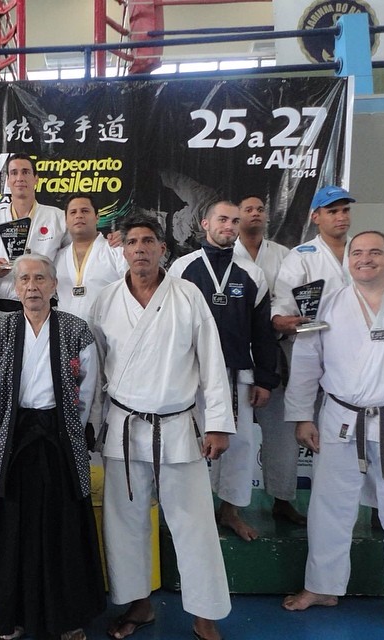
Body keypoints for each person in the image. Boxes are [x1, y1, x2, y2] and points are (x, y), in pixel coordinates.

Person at [91, 213, 233, 640]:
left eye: (148, 241)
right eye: (132, 242)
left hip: (177, 426)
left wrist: (218, 423)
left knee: (194, 525)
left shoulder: (187, 295)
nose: (140, 249)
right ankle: (138, 605)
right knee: (125, 523)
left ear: (162, 249)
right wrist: (89, 424)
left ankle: (205, 614)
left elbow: (212, 361)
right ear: (122, 250)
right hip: (124, 426)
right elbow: (93, 369)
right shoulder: (106, 300)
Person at [0, 253, 105, 640]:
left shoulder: (76, 329)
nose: (32, 286)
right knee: (13, 525)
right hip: (15, 436)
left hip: (60, 435)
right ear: (15, 288)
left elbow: (87, 387)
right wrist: (1, 423)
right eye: (25, 279)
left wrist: (73, 426)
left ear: (53, 285)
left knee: (64, 525)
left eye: (40, 279)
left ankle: (68, 618)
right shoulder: (0, 330)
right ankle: (12, 616)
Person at [282, 231, 384, 612]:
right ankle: (322, 587)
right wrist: (301, 416)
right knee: (329, 506)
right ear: (348, 261)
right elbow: (306, 362)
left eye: (375, 252)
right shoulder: (328, 305)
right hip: (341, 417)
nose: (365, 259)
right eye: (357, 253)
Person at [169, 201, 279, 541]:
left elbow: (262, 331)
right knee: (190, 443)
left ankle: (230, 511)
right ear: (205, 223)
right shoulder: (182, 268)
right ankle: (192, 511)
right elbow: (167, 323)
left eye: (234, 220)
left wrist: (265, 378)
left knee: (240, 444)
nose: (229, 225)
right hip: (190, 373)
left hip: (236, 373)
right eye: (222, 219)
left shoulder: (251, 273)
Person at [234, 195, 305, 525]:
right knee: (232, 433)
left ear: (267, 217)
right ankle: (229, 504)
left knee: (281, 430)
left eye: (260, 209)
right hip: (234, 353)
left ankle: (282, 498)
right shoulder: (225, 254)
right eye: (248, 209)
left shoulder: (284, 255)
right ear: (237, 217)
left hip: (274, 352)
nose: (255, 214)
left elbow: (290, 299)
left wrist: (281, 319)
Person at [0, 153, 68, 320]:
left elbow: (78, 254)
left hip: (45, 310)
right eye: (14, 173)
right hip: (4, 311)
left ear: (36, 179)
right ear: (7, 181)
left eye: (26, 172)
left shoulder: (57, 218)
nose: (20, 178)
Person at [272, 185, 355, 334]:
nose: (342, 217)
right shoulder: (301, 256)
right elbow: (284, 298)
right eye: (332, 212)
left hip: (362, 334)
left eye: (345, 210)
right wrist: (279, 318)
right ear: (315, 217)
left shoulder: (366, 250)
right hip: (319, 336)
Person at [55, 193, 127, 322]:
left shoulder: (116, 251)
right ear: (66, 221)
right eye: (73, 212)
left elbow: (134, 290)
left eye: (85, 211)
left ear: (97, 217)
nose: (79, 216)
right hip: (67, 332)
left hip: (108, 330)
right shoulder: (57, 257)